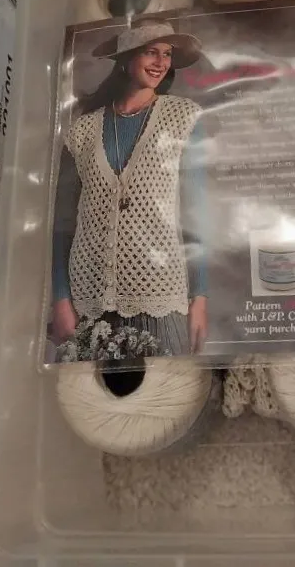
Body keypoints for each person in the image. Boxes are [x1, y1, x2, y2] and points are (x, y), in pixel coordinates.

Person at [51, 19, 208, 357]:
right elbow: (62, 223)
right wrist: (61, 298)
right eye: (151, 52)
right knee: (89, 389)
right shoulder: (81, 131)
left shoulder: (183, 118)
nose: (161, 62)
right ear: (125, 59)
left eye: (167, 54)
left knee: (165, 387)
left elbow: (196, 215)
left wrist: (200, 297)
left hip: (160, 298)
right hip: (88, 301)